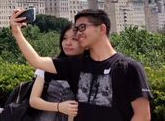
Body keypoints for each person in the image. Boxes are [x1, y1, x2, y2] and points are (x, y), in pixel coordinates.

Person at [10, 9, 152, 121]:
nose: (78, 34)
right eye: (76, 29)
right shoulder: (75, 64)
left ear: (102, 29)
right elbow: (37, 61)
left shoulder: (129, 68)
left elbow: (142, 116)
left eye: (82, 27)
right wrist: (17, 32)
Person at [29, 23, 82, 121]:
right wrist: (59, 106)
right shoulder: (47, 66)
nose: (68, 43)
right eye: (64, 38)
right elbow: (33, 100)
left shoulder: (90, 69)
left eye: (74, 39)